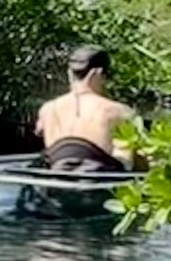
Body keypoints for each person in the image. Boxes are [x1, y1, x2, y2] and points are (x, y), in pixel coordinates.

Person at [35, 44, 139, 173]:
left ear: (69, 73)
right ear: (98, 73)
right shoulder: (120, 112)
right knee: (126, 152)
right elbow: (130, 160)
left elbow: (40, 132)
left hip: (55, 182)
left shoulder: (47, 109)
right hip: (98, 185)